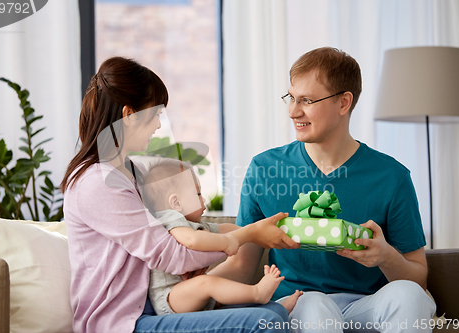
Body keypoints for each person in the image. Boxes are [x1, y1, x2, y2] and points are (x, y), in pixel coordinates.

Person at [60, 56, 300, 333]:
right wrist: (248, 235)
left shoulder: (134, 174)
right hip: (122, 323)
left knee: (272, 309)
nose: (158, 126)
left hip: (153, 309)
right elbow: (173, 255)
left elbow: (180, 229)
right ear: (129, 115)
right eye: (155, 115)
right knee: (266, 320)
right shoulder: (97, 183)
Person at [209, 47, 436, 332]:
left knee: (409, 295)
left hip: (366, 306)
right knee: (314, 304)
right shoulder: (264, 169)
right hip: (299, 304)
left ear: (343, 103)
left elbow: (419, 279)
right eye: (291, 98)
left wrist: (386, 257)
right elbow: (243, 266)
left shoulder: (392, 176)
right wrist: (190, 289)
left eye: (306, 100)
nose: (293, 111)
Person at [140, 158, 303, 316]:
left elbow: (229, 229)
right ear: (176, 203)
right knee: (208, 283)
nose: (203, 199)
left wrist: (258, 232)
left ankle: (276, 310)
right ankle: (257, 293)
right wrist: (228, 242)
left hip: (190, 292)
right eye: (197, 193)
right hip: (170, 299)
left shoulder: (196, 224)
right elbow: (192, 240)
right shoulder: (168, 218)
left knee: (226, 294)